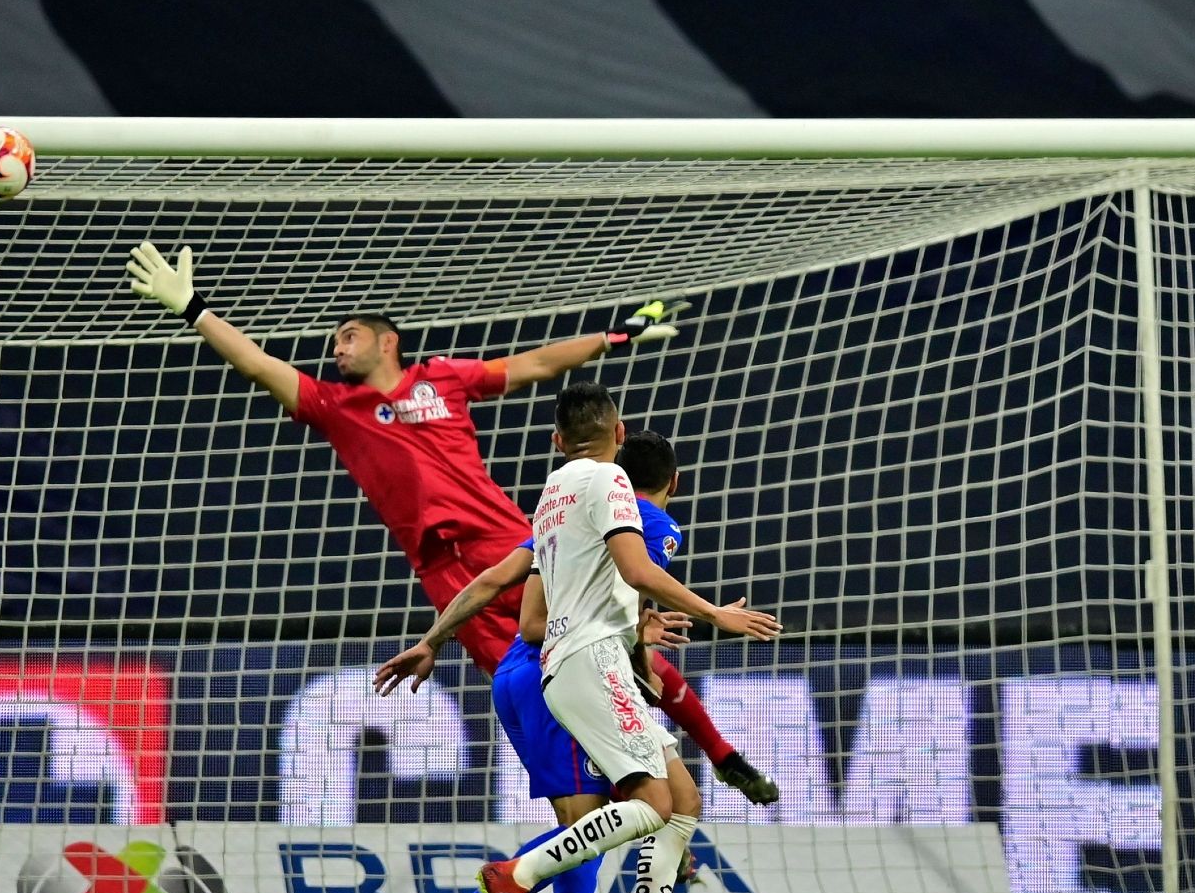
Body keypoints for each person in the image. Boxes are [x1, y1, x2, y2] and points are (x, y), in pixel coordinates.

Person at [125, 242, 778, 802]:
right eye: (334, 341)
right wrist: (193, 308)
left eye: (348, 335)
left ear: (387, 341)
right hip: (446, 575)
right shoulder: (333, 406)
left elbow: (534, 364)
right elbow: (256, 364)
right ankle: (640, 813)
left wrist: (612, 338)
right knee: (542, 693)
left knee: (610, 647)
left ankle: (717, 756)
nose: (336, 348)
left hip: (507, 540)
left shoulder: (442, 380)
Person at [477, 384, 780, 893]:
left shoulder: (554, 494)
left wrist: (636, 637)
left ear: (557, 441)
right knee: (650, 805)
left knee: (682, 799)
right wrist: (716, 614)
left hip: (566, 659)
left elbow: (531, 605)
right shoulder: (619, 489)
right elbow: (637, 572)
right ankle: (513, 879)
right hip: (587, 659)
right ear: (617, 434)